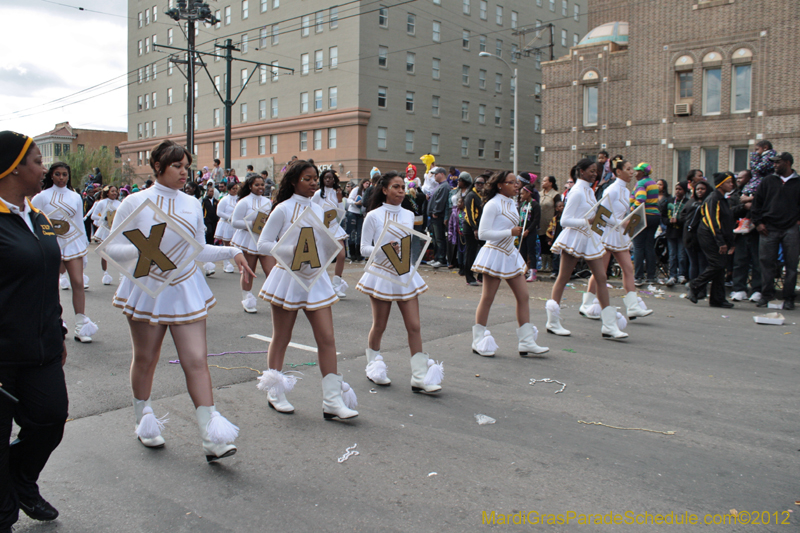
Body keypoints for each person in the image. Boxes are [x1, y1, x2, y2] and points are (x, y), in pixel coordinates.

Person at [105, 140, 252, 461]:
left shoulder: (191, 203)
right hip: (147, 289)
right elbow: (111, 248)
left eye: (186, 166)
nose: (184, 172)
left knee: (197, 360)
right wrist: (144, 250)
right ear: (158, 167)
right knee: (145, 358)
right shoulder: (134, 203)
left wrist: (232, 251)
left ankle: (212, 435)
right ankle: (143, 419)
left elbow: (197, 249)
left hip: (185, 288)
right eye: (177, 166)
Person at [0, 131, 68, 530]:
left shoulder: (38, 218)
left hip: (42, 346)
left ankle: (20, 480)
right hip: (3, 354)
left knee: (50, 420)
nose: (45, 169)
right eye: (39, 161)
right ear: (13, 167)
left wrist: (57, 330)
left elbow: (46, 280)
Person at [255, 160, 358, 420]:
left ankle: (332, 401)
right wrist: (295, 251)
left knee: (327, 338)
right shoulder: (282, 209)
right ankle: (275, 392)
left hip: (316, 278)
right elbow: (263, 243)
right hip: (288, 277)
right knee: (282, 337)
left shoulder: (322, 208)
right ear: (293, 181)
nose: (313, 183)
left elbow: (332, 238)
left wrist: (331, 241)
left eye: (315, 178)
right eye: (307, 179)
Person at [356, 172, 444, 393]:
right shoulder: (373, 216)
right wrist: (384, 250)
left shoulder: (408, 214)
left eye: (403, 186)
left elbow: (409, 241)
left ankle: (420, 376)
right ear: (384, 189)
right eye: (396, 186)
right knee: (380, 325)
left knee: (414, 326)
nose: (401, 190)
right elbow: (363, 248)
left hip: (404, 272)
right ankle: (373, 367)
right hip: (381, 274)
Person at [547, 159, 628, 340]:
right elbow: (564, 221)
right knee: (563, 278)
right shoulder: (576, 191)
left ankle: (608, 325)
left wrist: (615, 223)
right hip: (574, 238)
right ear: (581, 171)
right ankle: (552, 321)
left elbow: (596, 215)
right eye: (591, 171)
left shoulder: (589, 191)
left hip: (590, 238)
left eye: (596, 171)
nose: (594, 174)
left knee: (601, 277)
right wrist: (588, 221)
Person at [470, 171, 549, 357]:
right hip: (495, 253)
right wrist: (510, 232)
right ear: (500, 184)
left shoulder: (513, 203)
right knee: (488, 298)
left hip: (510, 254)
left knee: (523, 296)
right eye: (511, 182)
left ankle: (526, 342)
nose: (517, 186)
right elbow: (482, 234)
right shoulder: (492, 204)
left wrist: (513, 233)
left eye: (517, 183)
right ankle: (478, 340)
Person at [32, 162, 99, 343]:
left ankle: (80, 325)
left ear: (68, 176)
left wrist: (83, 244)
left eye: (64, 174)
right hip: (50, 245)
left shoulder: (75, 197)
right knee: (51, 286)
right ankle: (55, 323)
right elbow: (34, 222)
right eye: (57, 174)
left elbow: (78, 222)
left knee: (77, 282)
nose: (61, 178)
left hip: (72, 243)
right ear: (51, 176)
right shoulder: (41, 197)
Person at [582, 158, 653, 321]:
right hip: (607, 234)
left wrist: (631, 221)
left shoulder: (627, 191)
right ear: (618, 172)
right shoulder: (612, 190)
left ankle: (633, 306)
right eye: (628, 169)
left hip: (620, 235)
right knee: (600, 272)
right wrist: (621, 223)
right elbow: (602, 213)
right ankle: (587, 303)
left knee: (628, 268)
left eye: (631, 169)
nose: (631, 172)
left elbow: (624, 213)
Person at [750, 152, 800, 309]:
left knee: (791, 265)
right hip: (768, 228)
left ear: (787, 163)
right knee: (766, 263)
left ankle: (789, 298)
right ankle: (766, 296)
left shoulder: (798, 182)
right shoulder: (768, 181)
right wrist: (758, 223)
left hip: (791, 228)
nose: (774, 165)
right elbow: (756, 204)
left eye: (778, 162)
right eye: (774, 163)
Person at [687, 172, 740, 308]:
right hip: (708, 235)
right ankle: (695, 284)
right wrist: (720, 241)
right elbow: (712, 221)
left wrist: (729, 242)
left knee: (721, 266)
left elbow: (727, 222)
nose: (731, 184)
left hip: (717, 237)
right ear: (721, 185)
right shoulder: (713, 198)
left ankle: (717, 298)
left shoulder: (723, 199)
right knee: (717, 264)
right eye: (728, 182)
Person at [230, 174, 274, 313]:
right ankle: (247, 299)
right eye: (257, 185)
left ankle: (275, 298)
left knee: (272, 271)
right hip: (248, 239)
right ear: (250, 186)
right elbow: (234, 222)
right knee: (249, 270)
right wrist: (251, 223)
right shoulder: (243, 202)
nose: (261, 187)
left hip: (264, 239)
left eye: (262, 184)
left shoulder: (268, 202)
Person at [312, 169, 349, 298]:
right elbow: (310, 210)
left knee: (342, 255)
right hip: (321, 228)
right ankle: (320, 285)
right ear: (322, 179)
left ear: (335, 180)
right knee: (321, 258)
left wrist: (340, 200)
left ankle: (336, 285)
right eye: (326, 178)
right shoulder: (317, 194)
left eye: (331, 178)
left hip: (334, 227)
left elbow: (341, 215)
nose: (328, 180)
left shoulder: (337, 193)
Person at [730, 170, 762, 302]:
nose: (738, 180)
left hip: (756, 233)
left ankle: (757, 290)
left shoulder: (759, 193)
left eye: (741, 178)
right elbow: (731, 211)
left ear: (750, 179)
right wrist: (744, 206)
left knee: (757, 262)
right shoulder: (736, 195)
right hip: (741, 233)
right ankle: (739, 289)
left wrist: (752, 204)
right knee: (740, 261)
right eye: (737, 178)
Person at [631, 163, 660, 286]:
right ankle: (651, 276)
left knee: (638, 247)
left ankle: (638, 277)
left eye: (638, 171)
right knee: (649, 246)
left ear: (643, 172)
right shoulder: (653, 183)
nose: (635, 173)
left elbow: (641, 199)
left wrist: (632, 209)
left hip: (643, 215)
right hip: (655, 216)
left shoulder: (641, 183)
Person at [89, 185, 121, 285]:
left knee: (119, 252)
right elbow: (93, 215)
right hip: (105, 230)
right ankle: (105, 273)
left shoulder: (119, 203)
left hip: (115, 230)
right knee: (104, 253)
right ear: (107, 192)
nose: (114, 193)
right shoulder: (101, 203)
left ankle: (122, 274)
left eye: (116, 191)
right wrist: (104, 218)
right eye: (112, 191)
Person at [681, 181, 711, 285]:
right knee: (694, 262)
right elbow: (682, 216)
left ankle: (700, 286)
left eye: (702, 189)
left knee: (702, 262)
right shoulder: (691, 202)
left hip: (703, 237)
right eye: (698, 189)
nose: (700, 191)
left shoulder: (708, 202)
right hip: (690, 236)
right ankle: (693, 285)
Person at [661, 181, 689, 287]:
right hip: (671, 232)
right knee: (672, 255)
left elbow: (688, 217)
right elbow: (663, 216)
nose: (678, 191)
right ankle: (672, 275)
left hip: (681, 232)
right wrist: (668, 221)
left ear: (685, 191)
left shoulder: (687, 202)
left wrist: (679, 221)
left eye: (680, 189)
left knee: (681, 255)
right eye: (676, 189)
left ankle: (682, 274)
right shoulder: (669, 201)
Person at [461, 173, 486, 286]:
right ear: (474, 184)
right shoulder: (471, 195)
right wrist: (474, 228)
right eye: (478, 183)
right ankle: (469, 277)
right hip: (471, 228)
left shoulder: (483, 196)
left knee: (485, 249)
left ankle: (481, 275)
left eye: (482, 183)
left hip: (481, 227)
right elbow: (470, 213)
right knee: (471, 251)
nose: (480, 185)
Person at [213, 182, 241, 273]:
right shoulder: (224, 200)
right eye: (233, 188)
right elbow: (219, 212)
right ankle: (226, 263)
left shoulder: (240, 199)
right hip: (226, 224)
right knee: (227, 244)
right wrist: (229, 217)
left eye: (236, 188)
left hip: (236, 224)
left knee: (237, 244)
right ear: (229, 190)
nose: (235, 190)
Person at [427, 167, 450, 268]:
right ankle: (436, 257)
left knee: (439, 238)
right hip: (434, 216)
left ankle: (441, 259)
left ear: (442, 174)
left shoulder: (444, 186)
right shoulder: (440, 186)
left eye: (436, 174)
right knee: (436, 238)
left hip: (438, 217)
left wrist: (436, 212)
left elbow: (440, 201)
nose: (434, 176)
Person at [518, 183, 541, 283]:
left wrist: (528, 230)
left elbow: (536, 220)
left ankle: (533, 273)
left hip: (530, 232)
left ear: (528, 193)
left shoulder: (535, 205)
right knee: (522, 252)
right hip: (521, 231)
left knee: (531, 252)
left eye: (523, 194)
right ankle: (523, 271)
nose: (521, 196)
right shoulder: (522, 205)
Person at [538, 176, 561, 272]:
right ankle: (543, 265)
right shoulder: (539, 194)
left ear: (550, 183)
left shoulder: (555, 195)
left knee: (549, 243)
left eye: (545, 181)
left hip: (550, 224)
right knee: (542, 243)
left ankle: (550, 266)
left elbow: (558, 208)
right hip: (540, 223)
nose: (542, 182)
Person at [346, 178, 369, 260]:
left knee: (360, 233)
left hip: (361, 214)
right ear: (362, 183)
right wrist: (355, 203)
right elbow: (349, 200)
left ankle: (358, 253)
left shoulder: (367, 192)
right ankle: (352, 253)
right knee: (352, 233)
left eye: (368, 183)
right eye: (366, 183)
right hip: (352, 212)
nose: (367, 185)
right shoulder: (356, 190)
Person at [201, 181, 220, 276]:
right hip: (207, 220)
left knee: (213, 235)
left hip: (214, 221)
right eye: (209, 191)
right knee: (208, 233)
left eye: (212, 191)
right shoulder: (204, 201)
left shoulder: (216, 201)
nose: (211, 193)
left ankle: (211, 248)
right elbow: (202, 211)